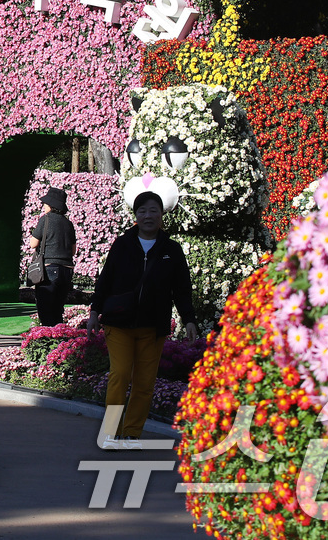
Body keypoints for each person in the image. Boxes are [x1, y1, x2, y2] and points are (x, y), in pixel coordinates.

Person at [85, 176, 200, 450]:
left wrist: (189, 320)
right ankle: (111, 432)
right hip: (119, 324)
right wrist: (94, 312)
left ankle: (131, 434)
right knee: (120, 374)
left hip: (152, 326)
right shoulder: (122, 245)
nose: (148, 216)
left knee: (145, 382)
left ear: (162, 215)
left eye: (153, 211)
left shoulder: (172, 250)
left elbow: (182, 290)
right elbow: (105, 281)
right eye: (143, 211)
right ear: (135, 215)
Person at [29, 187, 77, 327]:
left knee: (45, 310)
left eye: (45, 203)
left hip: (50, 269)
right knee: (57, 310)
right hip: (67, 270)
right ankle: (59, 337)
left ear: (51, 205)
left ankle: (49, 337)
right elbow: (73, 251)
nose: (43, 206)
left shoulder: (45, 220)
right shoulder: (68, 224)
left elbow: (33, 244)